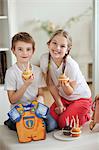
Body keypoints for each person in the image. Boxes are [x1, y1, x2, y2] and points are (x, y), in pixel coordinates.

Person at [4, 32, 57, 132]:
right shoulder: (11, 73)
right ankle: (10, 121)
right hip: (19, 109)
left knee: (51, 125)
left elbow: (41, 93)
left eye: (28, 49)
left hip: (35, 107)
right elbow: (12, 100)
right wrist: (26, 85)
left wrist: (40, 99)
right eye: (20, 49)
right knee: (25, 128)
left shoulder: (37, 71)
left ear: (33, 51)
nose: (24, 53)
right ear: (13, 51)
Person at [40, 29, 92, 129]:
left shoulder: (71, 65)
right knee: (48, 121)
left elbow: (69, 92)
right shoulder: (44, 59)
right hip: (64, 98)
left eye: (62, 46)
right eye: (54, 43)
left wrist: (65, 85)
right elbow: (50, 84)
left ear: (68, 49)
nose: (57, 48)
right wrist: (59, 104)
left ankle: (86, 113)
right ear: (48, 44)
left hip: (80, 98)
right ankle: (69, 109)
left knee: (64, 123)